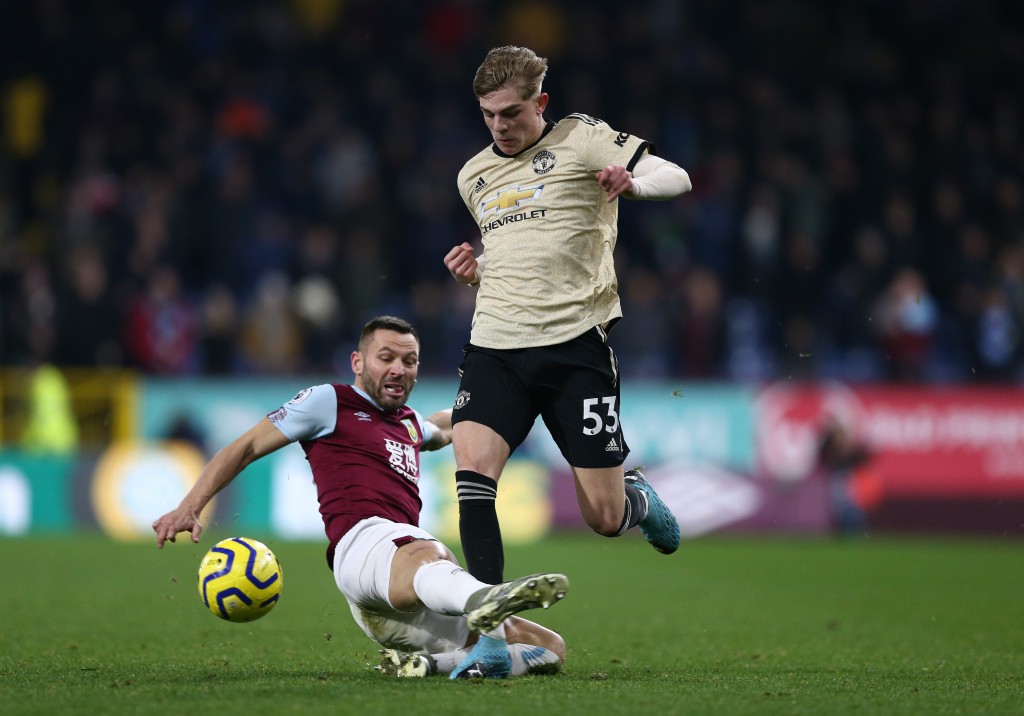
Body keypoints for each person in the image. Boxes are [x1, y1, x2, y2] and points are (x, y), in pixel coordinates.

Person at [152, 315, 568, 679]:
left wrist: (509, 399)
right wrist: (190, 506)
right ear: (358, 362)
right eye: (386, 357)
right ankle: (481, 597)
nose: (398, 369)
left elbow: (447, 425)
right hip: (364, 546)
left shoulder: (409, 424)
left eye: (409, 361)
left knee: (548, 648)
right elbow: (245, 447)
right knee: (430, 554)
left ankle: (433, 663)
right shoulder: (330, 401)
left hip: (393, 605)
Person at [443, 46, 691, 585]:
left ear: (541, 103)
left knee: (603, 517)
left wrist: (635, 184)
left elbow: (676, 176)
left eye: (511, 112)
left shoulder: (581, 138)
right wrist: (476, 272)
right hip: (495, 345)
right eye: (488, 114)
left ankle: (636, 499)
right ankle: (489, 619)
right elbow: (518, 250)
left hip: (574, 345)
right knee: (472, 475)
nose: (499, 126)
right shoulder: (473, 175)